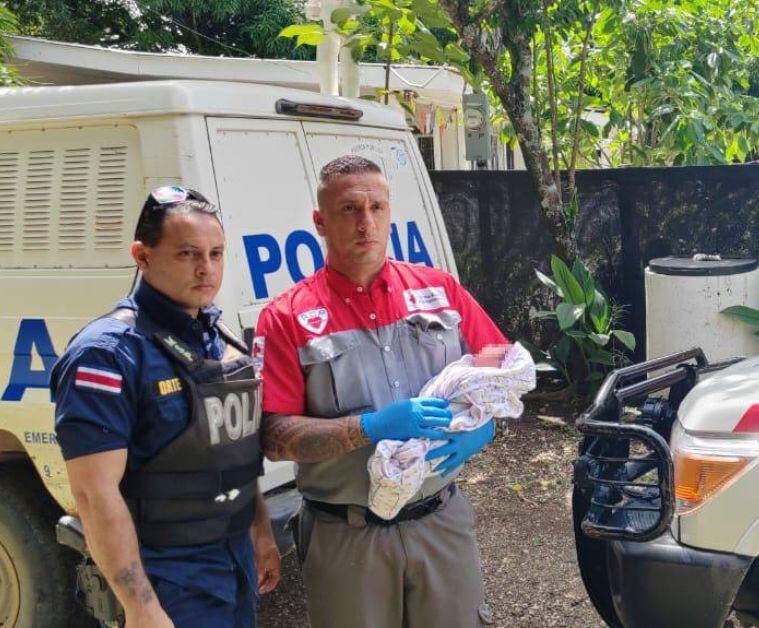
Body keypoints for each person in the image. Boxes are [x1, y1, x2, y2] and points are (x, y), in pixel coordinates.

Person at [255, 155, 506, 627]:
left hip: (440, 523)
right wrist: (367, 427)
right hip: (346, 537)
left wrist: (484, 427)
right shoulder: (287, 317)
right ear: (320, 221)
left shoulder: (440, 291)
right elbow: (273, 435)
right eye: (349, 209)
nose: (365, 222)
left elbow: (501, 368)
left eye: (377, 207)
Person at [51, 186, 281, 628]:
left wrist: (260, 530)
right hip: (166, 576)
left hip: (231, 562)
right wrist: (141, 607)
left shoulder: (217, 337)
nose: (206, 269)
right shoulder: (108, 354)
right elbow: (94, 494)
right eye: (187, 254)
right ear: (142, 256)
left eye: (216, 254)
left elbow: (230, 452)